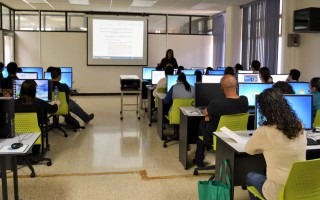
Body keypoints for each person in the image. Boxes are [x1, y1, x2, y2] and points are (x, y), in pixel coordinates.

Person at [246, 88, 306, 200]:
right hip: (300, 188)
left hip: (277, 192)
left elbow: (249, 149)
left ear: (264, 110)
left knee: (250, 176)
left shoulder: (264, 131)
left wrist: (263, 147)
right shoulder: (300, 126)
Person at [193, 75, 249, 167]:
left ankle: (199, 161)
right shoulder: (244, 100)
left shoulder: (216, 103)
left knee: (202, 124)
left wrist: (208, 116)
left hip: (218, 137)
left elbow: (205, 113)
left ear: (222, 88)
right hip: (237, 136)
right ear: (237, 85)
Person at [15, 80, 61, 155]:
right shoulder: (40, 103)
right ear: (34, 91)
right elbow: (53, 110)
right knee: (40, 125)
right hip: (35, 133)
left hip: (17, 133)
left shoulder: (13, 103)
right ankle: (35, 152)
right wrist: (57, 104)